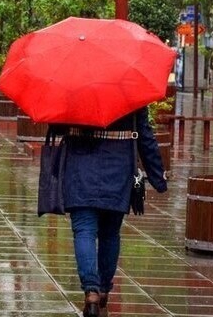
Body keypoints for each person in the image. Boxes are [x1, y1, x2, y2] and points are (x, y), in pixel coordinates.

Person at [51, 108, 167, 317]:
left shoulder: (73, 85)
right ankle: (103, 288)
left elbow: (56, 126)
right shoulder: (131, 86)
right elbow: (144, 134)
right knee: (110, 233)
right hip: (118, 166)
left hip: (80, 168)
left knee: (84, 230)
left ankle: (91, 291)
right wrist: (158, 176)